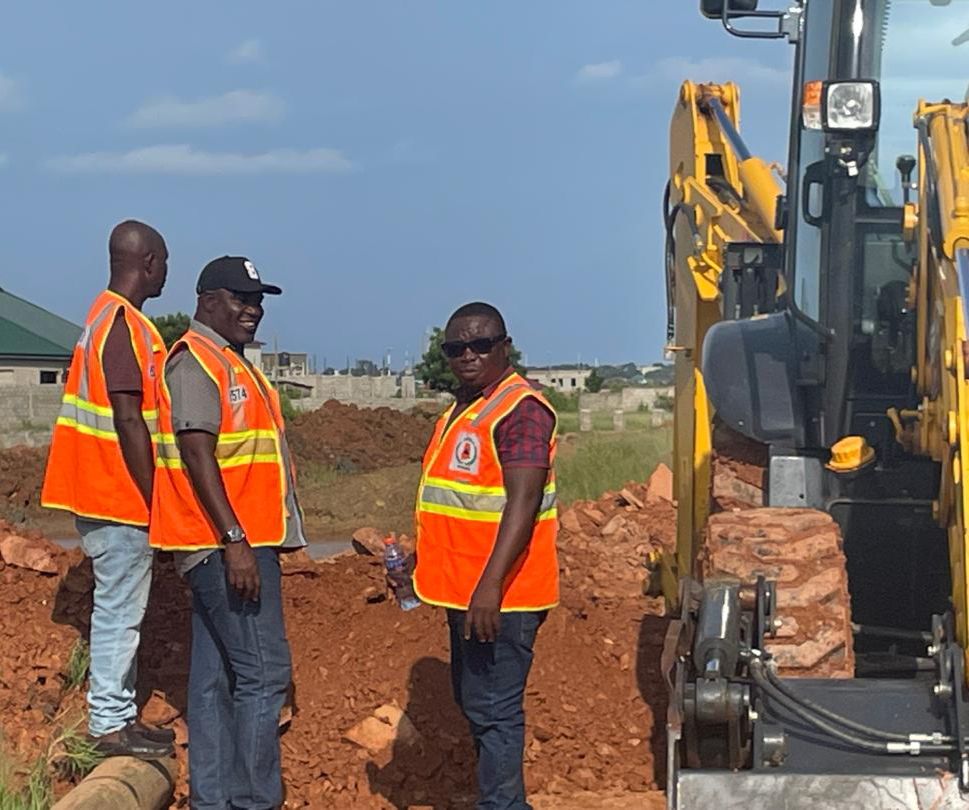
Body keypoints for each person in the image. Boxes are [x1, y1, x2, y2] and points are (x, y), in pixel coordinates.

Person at [148, 256, 304, 810]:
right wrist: (235, 538)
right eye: (241, 298)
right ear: (207, 299)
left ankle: (212, 800)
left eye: (258, 300)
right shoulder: (197, 362)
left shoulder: (232, 362)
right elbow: (196, 452)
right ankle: (253, 800)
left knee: (214, 681)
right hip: (225, 547)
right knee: (264, 677)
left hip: (230, 542)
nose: (253, 309)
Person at [411, 301, 559, 810]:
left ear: (504, 347)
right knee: (478, 706)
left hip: (505, 596)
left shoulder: (519, 410)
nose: (467, 355)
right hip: (469, 592)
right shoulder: (467, 407)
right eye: (456, 348)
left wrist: (491, 585)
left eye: (480, 345)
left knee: (495, 713)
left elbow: (524, 500)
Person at [41, 220, 174, 758]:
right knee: (120, 610)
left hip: (103, 493)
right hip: (118, 496)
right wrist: (155, 498)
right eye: (164, 261)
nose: (167, 271)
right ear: (147, 263)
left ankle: (116, 714)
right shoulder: (123, 324)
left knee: (120, 607)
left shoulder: (102, 319)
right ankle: (109, 722)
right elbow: (128, 419)